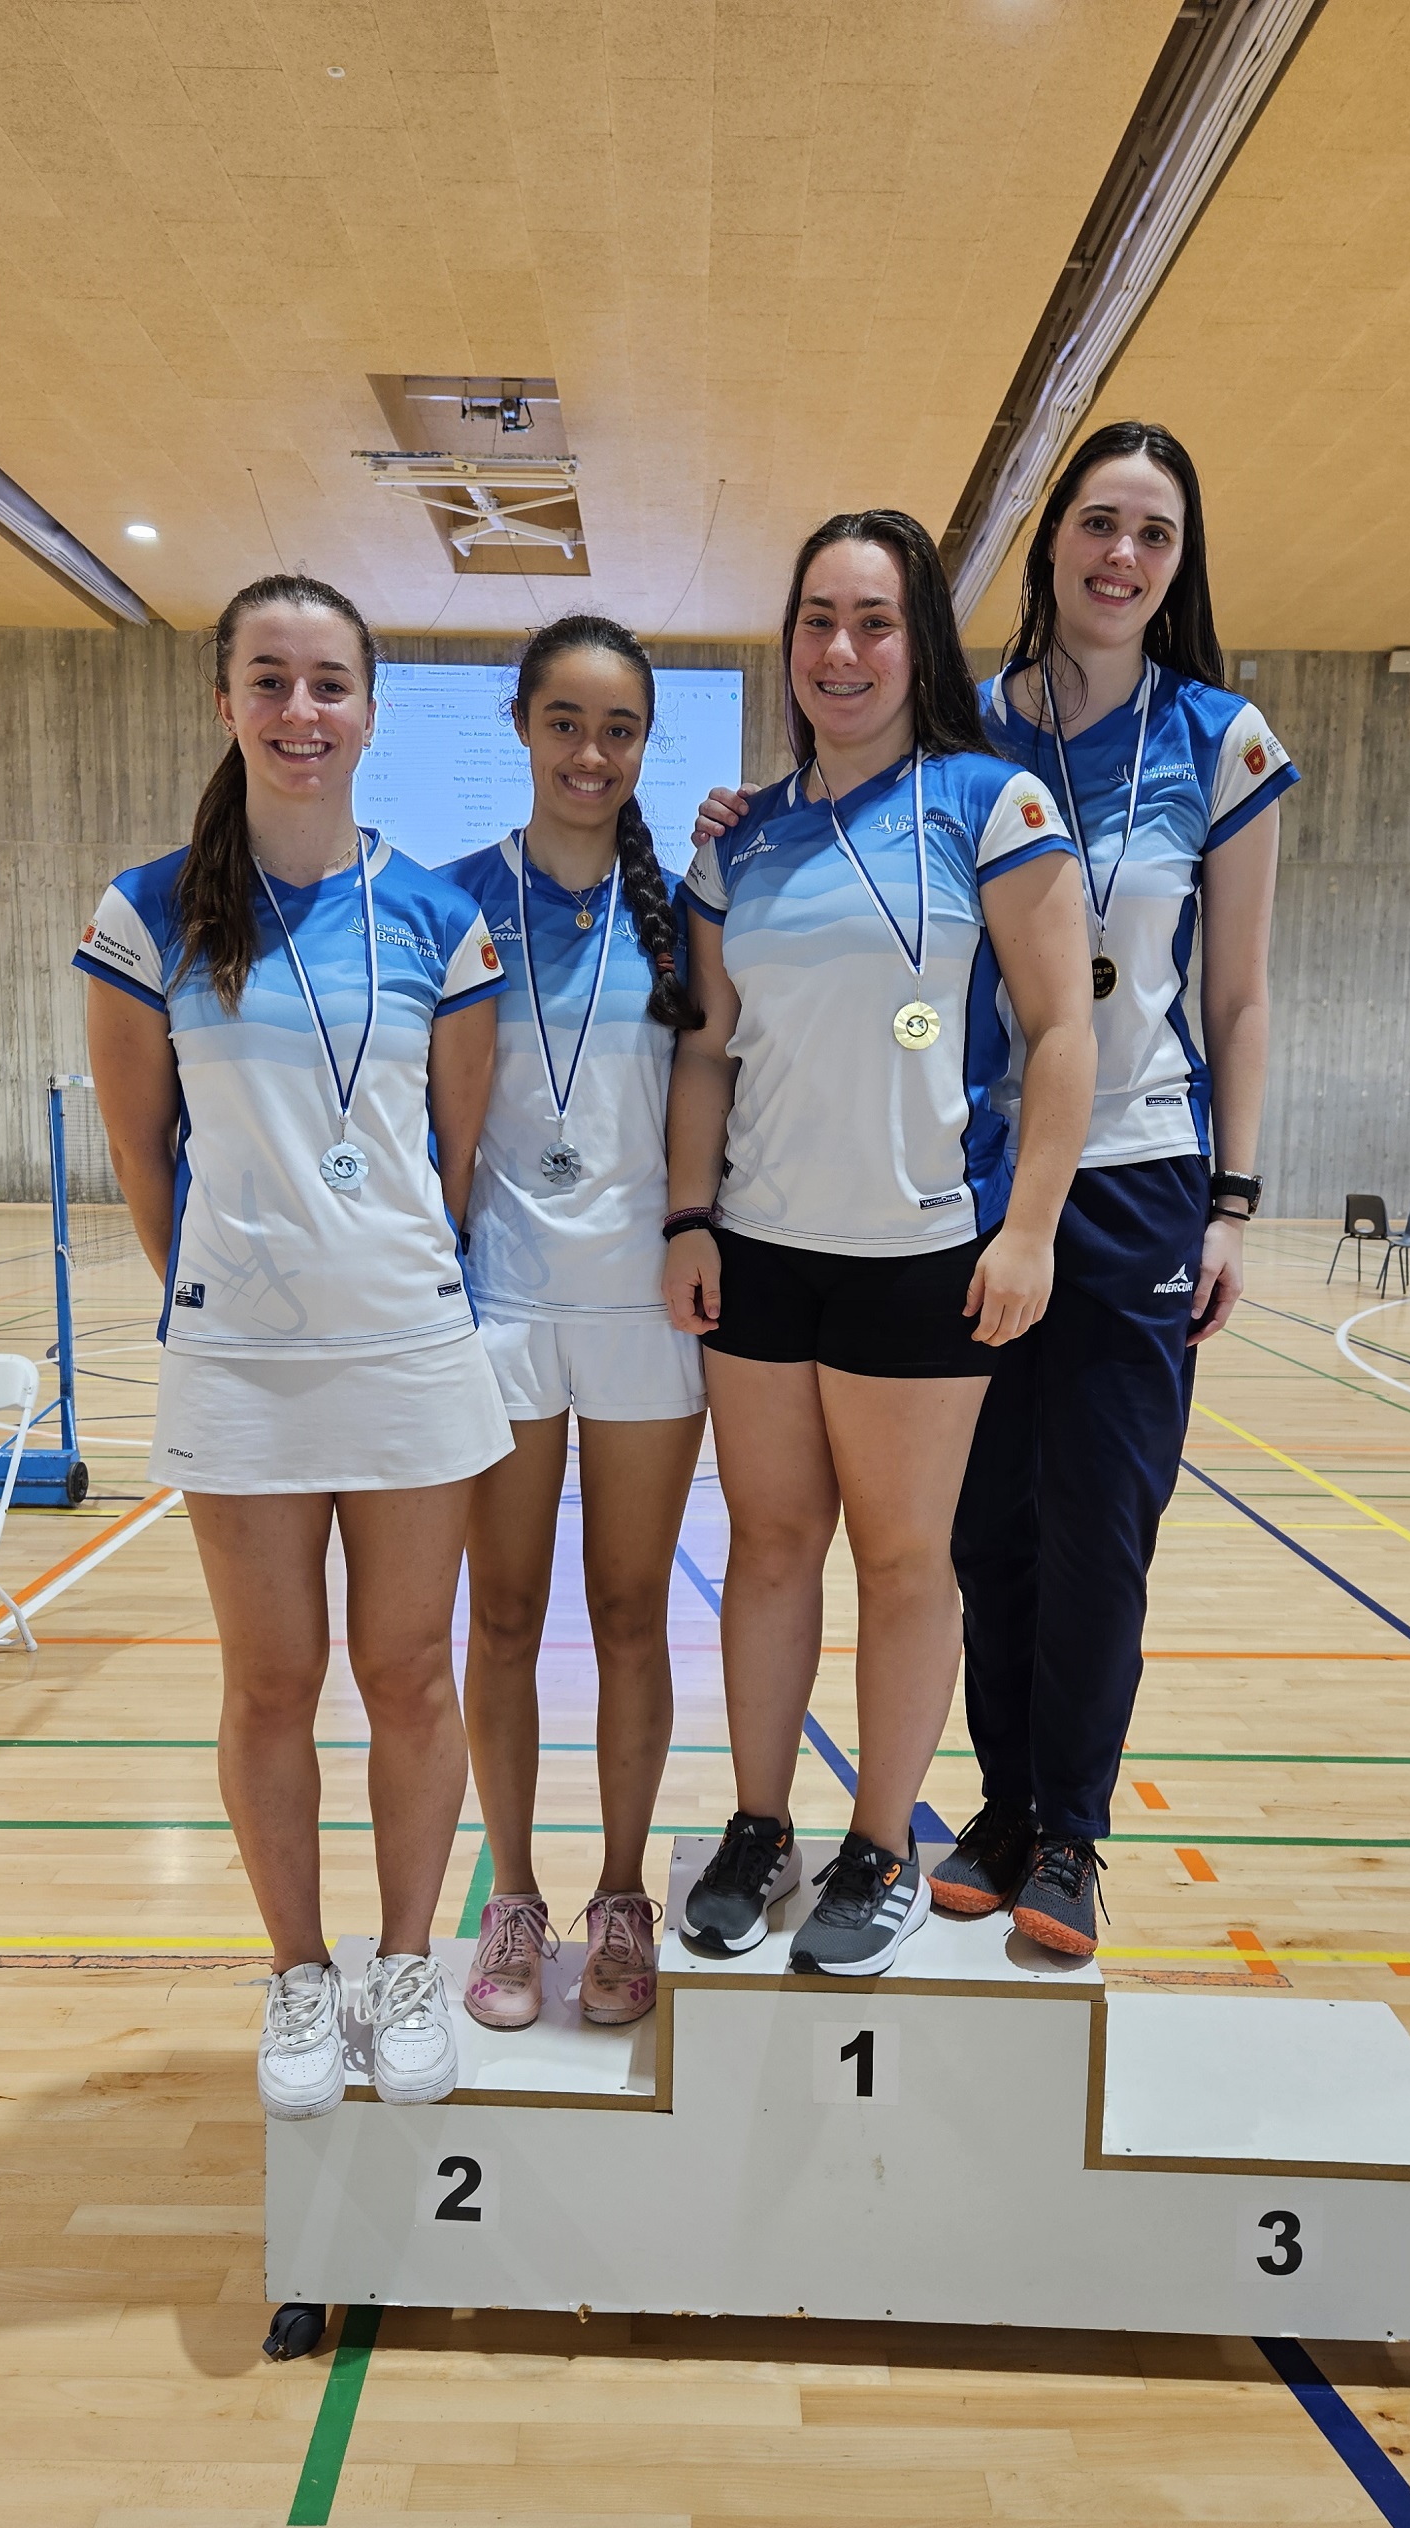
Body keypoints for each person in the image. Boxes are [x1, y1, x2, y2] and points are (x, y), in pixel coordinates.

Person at [76, 572, 512, 2117]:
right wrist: (238, 1289)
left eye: (329, 684)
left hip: (406, 1351)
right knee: (271, 1684)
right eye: (270, 681)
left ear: (373, 712)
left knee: (407, 1676)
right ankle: (296, 1974)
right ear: (225, 705)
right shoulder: (146, 914)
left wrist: (374, 1274)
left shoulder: (440, 916)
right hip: (240, 1364)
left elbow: (451, 1156)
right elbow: (143, 1157)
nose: (300, 712)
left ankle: (406, 1967)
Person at [666, 509, 1095, 1978]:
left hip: (923, 1254)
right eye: (815, 622)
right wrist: (688, 1217)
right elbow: (709, 1052)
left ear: (919, 644)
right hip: (765, 1251)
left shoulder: (995, 805)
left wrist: (1029, 1227)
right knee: (772, 1548)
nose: (840, 652)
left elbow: (1061, 1035)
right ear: (786, 645)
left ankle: (880, 1842)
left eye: (873, 622)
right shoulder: (748, 841)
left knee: (906, 1558)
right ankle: (762, 1823)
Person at [929, 420, 1299, 1955]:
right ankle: (1003, 1801)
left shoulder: (1222, 739)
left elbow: (1242, 998)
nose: (1123, 556)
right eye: (1099, 523)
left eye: (1154, 533)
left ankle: (1074, 1831)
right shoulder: (963, 736)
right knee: (984, 1529)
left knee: (1104, 1524)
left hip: (1140, 1178)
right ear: (1052, 543)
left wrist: (1233, 1201)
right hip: (967, 1181)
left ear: (1178, 561)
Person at [439, 618, 708, 2033]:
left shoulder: (683, 904)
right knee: (506, 1616)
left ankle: (617, 1894)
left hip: (643, 1310)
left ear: (643, 745)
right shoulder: (452, 899)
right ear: (524, 727)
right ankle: (514, 1898)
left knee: (626, 1614)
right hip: (500, 1305)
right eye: (564, 722)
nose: (590, 753)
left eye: (617, 729)